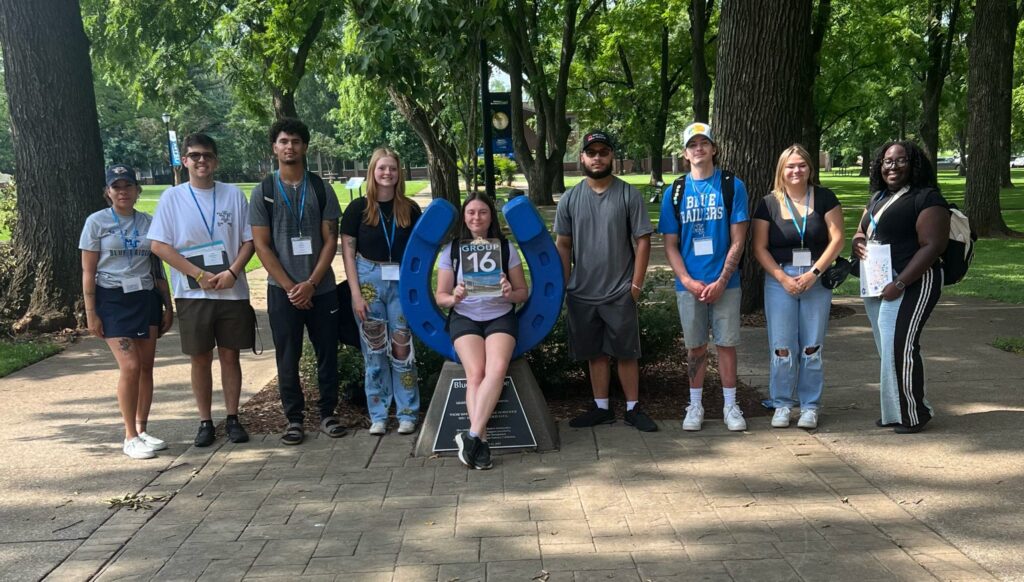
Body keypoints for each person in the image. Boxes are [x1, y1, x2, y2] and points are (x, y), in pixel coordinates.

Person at [149, 133, 256, 447]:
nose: (201, 161)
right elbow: (158, 244)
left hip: (230, 289)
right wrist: (196, 273)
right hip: (192, 291)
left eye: (207, 155)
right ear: (185, 161)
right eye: (194, 156)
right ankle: (205, 420)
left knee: (230, 355)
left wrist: (233, 271)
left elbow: (249, 241)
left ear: (216, 161)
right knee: (199, 357)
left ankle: (233, 417)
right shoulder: (173, 198)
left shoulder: (233, 196)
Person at [250, 118, 345, 446]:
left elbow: (330, 240)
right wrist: (292, 287)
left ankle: (329, 414)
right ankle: (294, 419)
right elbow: (261, 245)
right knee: (286, 357)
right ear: (274, 147)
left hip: (323, 289)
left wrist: (311, 283)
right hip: (282, 292)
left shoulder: (321, 188)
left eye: (295, 141)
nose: (289, 146)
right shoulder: (263, 191)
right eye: (283, 141)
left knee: (326, 353)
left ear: (305, 147)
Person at [554, 130, 657, 432]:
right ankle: (601, 408)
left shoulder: (628, 194)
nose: (597, 157)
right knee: (595, 353)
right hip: (582, 292)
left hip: (620, 291)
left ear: (612, 156)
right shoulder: (570, 199)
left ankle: (633, 408)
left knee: (626, 352)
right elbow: (563, 244)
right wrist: (565, 285)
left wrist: (635, 286)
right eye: (591, 152)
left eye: (603, 152)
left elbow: (643, 241)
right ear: (582, 158)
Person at [852, 141, 949, 434]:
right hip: (879, 283)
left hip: (914, 281)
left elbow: (933, 246)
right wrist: (857, 242)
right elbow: (861, 230)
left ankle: (915, 414)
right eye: (887, 161)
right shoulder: (878, 198)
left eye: (900, 160)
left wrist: (900, 282)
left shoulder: (927, 198)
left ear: (914, 164)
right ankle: (895, 410)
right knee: (888, 349)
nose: (892, 167)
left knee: (901, 347)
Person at [659, 122, 749, 432]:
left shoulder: (731, 185)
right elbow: (670, 244)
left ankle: (730, 404)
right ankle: (695, 405)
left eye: (704, 143)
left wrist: (723, 279)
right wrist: (686, 279)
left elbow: (739, 238)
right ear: (685, 153)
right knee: (695, 346)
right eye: (692, 144)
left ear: (713, 148)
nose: (699, 148)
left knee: (726, 344)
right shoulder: (675, 192)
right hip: (690, 284)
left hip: (726, 283)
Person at [80, 164, 174, 459]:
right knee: (130, 366)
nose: (123, 192)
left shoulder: (148, 222)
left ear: (137, 190)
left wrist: (167, 304)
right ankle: (129, 435)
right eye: (116, 187)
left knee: (146, 367)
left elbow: (157, 265)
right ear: (108, 192)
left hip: (145, 297)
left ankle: (142, 429)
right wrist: (91, 312)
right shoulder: (96, 223)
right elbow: (88, 270)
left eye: (128, 186)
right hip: (112, 298)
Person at [752, 145, 844, 430]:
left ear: (810, 168)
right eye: (790, 166)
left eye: (801, 165)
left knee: (811, 347)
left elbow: (838, 239)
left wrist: (815, 273)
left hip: (815, 278)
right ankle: (781, 403)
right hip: (781, 280)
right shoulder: (767, 204)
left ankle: (810, 406)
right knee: (782, 347)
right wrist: (782, 278)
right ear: (782, 169)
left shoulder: (825, 198)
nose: (796, 171)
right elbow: (759, 247)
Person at [435, 193, 529, 469]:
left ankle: (472, 435)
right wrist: (454, 297)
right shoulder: (452, 251)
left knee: (497, 369)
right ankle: (482, 442)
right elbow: (440, 295)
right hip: (465, 317)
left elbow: (523, 292)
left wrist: (510, 293)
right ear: (464, 216)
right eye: (471, 212)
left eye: (483, 212)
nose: (476, 217)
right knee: (475, 373)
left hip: (499, 315)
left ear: (491, 217)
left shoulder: (505, 249)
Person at [341, 148, 422, 436]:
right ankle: (378, 413)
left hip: (401, 280)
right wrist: (355, 294)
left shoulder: (410, 209)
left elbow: (419, 252)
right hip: (368, 279)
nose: (387, 173)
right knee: (374, 349)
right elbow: (348, 254)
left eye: (393, 169)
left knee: (402, 347)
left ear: (399, 173)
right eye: (382, 168)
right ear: (372, 172)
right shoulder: (357, 209)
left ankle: (407, 412)